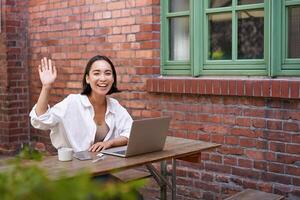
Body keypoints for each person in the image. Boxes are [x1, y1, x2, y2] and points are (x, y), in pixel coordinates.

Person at [29, 55, 133, 153]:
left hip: (103, 165)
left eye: (108, 73)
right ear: (87, 79)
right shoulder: (73, 102)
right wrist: (46, 86)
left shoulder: (114, 106)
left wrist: (109, 143)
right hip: (74, 167)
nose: (103, 78)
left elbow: (132, 132)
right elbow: (40, 120)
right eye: (97, 73)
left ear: (113, 78)